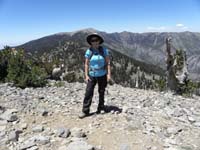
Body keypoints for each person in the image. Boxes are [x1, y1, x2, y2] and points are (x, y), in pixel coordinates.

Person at [79, 33, 111, 119]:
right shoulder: (89, 51)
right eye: (93, 40)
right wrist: (86, 75)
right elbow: (86, 64)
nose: (95, 42)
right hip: (92, 74)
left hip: (102, 74)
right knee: (88, 92)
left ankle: (101, 107)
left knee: (101, 91)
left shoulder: (104, 50)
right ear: (90, 42)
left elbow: (108, 63)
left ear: (99, 41)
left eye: (96, 40)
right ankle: (85, 111)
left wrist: (108, 74)